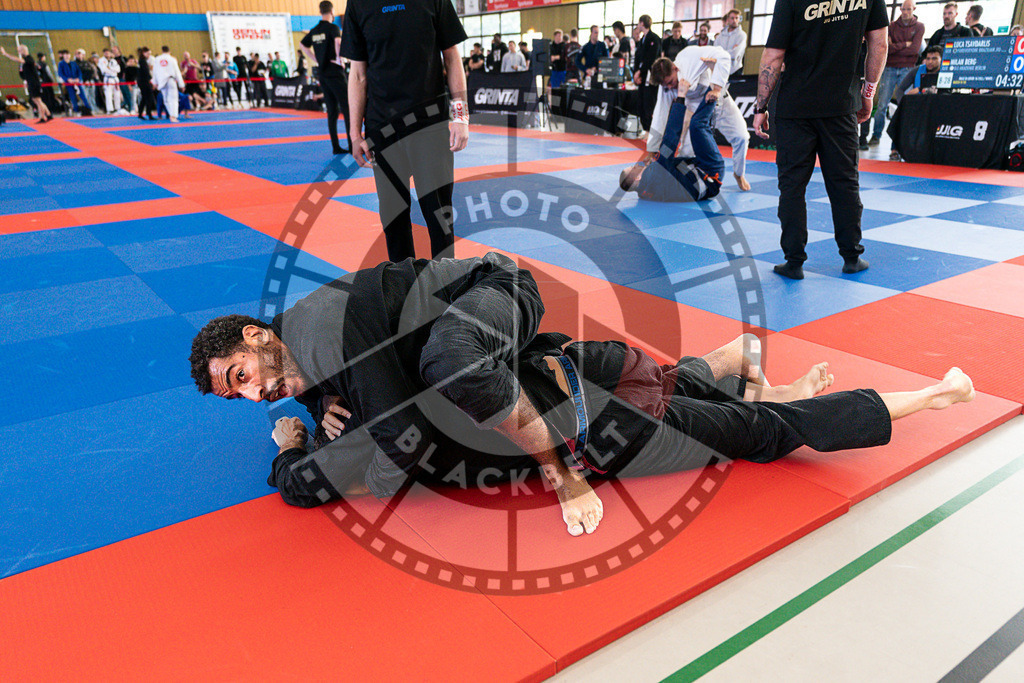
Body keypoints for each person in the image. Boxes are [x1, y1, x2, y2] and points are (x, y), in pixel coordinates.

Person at [190, 253, 977, 535]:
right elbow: (346, 400)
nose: (256, 397)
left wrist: (297, 457)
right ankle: (729, 360)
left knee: (753, 435)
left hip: (580, 420)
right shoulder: (314, 347)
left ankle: (930, 397)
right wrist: (316, 417)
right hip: (556, 362)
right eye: (240, 398)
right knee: (664, 384)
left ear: (257, 338)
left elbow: (382, 465)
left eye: (241, 378)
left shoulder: (330, 339)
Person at [753, 0, 889, 280]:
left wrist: (760, 107)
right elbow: (879, 44)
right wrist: (867, 94)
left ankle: (793, 262)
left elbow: (773, 56)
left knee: (792, 187)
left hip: (795, 107)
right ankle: (851, 257)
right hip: (840, 106)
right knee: (844, 184)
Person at [342, 0, 469, 263]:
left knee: (439, 215)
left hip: (429, 125)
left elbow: (452, 56)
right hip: (382, 129)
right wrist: (355, 134)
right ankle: (403, 289)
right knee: (393, 217)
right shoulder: (359, 4)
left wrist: (460, 117)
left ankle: (444, 286)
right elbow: (357, 74)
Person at [648, 47, 751, 192]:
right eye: (667, 85)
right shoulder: (667, 86)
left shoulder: (690, 56)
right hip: (695, 112)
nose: (671, 87)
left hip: (720, 102)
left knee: (742, 137)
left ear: (675, 68)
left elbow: (724, 56)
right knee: (686, 154)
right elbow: (661, 113)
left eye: (671, 82)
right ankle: (683, 182)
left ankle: (739, 174)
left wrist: (716, 87)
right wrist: (652, 147)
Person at [869, 0, 925, 146]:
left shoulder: (919, 27)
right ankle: (876, 135)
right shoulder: (892, 26)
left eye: (908, 9)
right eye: (903, 9)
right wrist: (904, 44)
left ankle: (900, 140)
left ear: (914, 9)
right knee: (882, 105)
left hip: (907, 69)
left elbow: (914, 50)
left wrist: (896, 46)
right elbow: (887, 47)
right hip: (889, 68)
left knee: (904, 104)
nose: (905, 12)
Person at [300, 1, 352, 155]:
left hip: (322, 73)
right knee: (347, 109)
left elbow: (303, 45)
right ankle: (352, 145)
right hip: (335, 72)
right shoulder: (333, 28)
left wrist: (316, 59)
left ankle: (335, 146)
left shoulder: (314, 30)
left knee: (332, 111)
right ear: (332, 11)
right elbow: (338, 41)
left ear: (320, 11)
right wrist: (339, 58)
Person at [0, 45, 52, 123]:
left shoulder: (29, 59)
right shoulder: (25, 62)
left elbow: (18, 60)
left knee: (38, 100)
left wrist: (5, 54)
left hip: (34, 83)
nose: (19, 52)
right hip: (31, 82)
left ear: (24, 50)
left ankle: (43, 117)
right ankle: (48, 114)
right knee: (36, 100)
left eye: (20, 50)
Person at [633, 14, 662, 131]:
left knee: (649, 104)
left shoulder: (654, 38)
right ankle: (645, 128)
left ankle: (651, 130)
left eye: (639, 23)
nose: (638, 26)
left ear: (642, 23)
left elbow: (652, 58)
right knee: (641, 105)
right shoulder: (642, 41)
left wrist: (640, 71)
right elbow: (638, 59)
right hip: (641, 77)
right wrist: (636, 73)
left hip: (650, 77)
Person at [152, 46, 185, 123]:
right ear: (169, 51)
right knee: (173, 99)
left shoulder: (157, 59)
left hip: (161, 81)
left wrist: (155, 82)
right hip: (171, 80)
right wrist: (181, 84)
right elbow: (177, 72)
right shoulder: (172, 59)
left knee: (166, 99)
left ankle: (171, 114)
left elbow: (155, 72)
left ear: (162, 51)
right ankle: (173, 116)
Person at [58, 50, 91, 115]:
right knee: (73, 96)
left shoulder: (73, 63)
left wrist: (78, 78)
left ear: (70, 55)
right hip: (69, 83)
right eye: (65, 55)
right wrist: (67, 79)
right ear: (63, 56)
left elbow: (79, 72)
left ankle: (88, 109)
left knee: (83, 95)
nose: (67, 56)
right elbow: (60, 73)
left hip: (77, 81)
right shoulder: (61, 64)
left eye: (68, 55)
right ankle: (76, 110)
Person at [715, 10, 746, 75]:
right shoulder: (721, 35)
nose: (734, 20)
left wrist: (722, 52)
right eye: (732, 18)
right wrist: (730, 51)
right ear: (728, 19)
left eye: (736, 18)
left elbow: (735, 54)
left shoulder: (742, 35)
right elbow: (715, 52)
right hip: (721, 68)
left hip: (735, 70)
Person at [98, 48, 123, 114]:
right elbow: (104, 69)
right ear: (103, 53)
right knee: (108, 95)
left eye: (108, 52)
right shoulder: (101, 60)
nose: (107, 54)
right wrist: (112, 70)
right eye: (105, 53)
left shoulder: (113, 60)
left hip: (115, 79)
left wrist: (111, 69)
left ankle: (118, 108)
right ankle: (110, 109)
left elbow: (118, 69)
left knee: (117, 94)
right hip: (108, 79)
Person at [136, 47, 157, 120]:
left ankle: (141, 113)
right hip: (144, 82)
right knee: (149, 97)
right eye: (148, 54)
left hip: (142, 81)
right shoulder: (142, 61)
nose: (149, 55)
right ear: (144, 53)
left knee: (144, 98)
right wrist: (152, 81)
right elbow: (146, 72)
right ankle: (149, 113)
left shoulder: (141, 60)